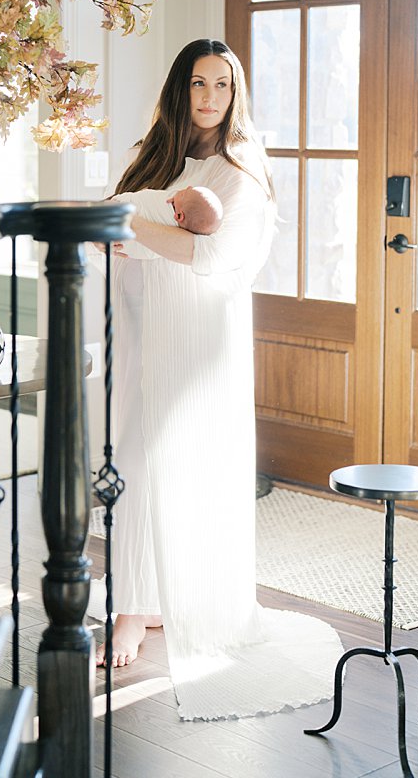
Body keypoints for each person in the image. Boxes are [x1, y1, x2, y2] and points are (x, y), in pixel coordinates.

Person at [92, 38, 343, 722]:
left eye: (221, 86)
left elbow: (213, 253)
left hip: (200, 339)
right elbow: (111, 226)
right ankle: (137, 603)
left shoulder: (241, 165)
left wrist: (134, 227)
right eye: (198, 84)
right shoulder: (157, 155)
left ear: (235, 95)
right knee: (134, 461)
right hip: (144, 331)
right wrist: (134, 227)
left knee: (176, 463)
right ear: (181, 89)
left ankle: (172, 599)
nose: (208, 98)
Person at [110, 185, 223, 262]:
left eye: (183, 194)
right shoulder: (180, 213)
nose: (187, 187)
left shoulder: (165, 208)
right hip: (125, 247)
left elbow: (146, 202)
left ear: (179, 216)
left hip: (118, 216)